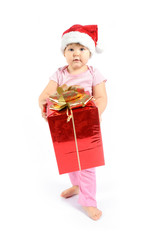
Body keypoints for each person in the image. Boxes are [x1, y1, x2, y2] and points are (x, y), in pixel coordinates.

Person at [39, 24, 108, 220]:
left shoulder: (94, 74)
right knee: (69, 159)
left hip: (86, 127)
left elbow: (102, 98)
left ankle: (88, 201)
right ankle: (77, 185)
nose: (76, 53)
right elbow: (45, 96)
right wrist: (44, 108)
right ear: (64, 53)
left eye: (81, 49)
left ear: (90, 52)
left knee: (87, 163)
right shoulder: (60, 74)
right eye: (71, 49)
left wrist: (94, 115)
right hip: (65, 127)